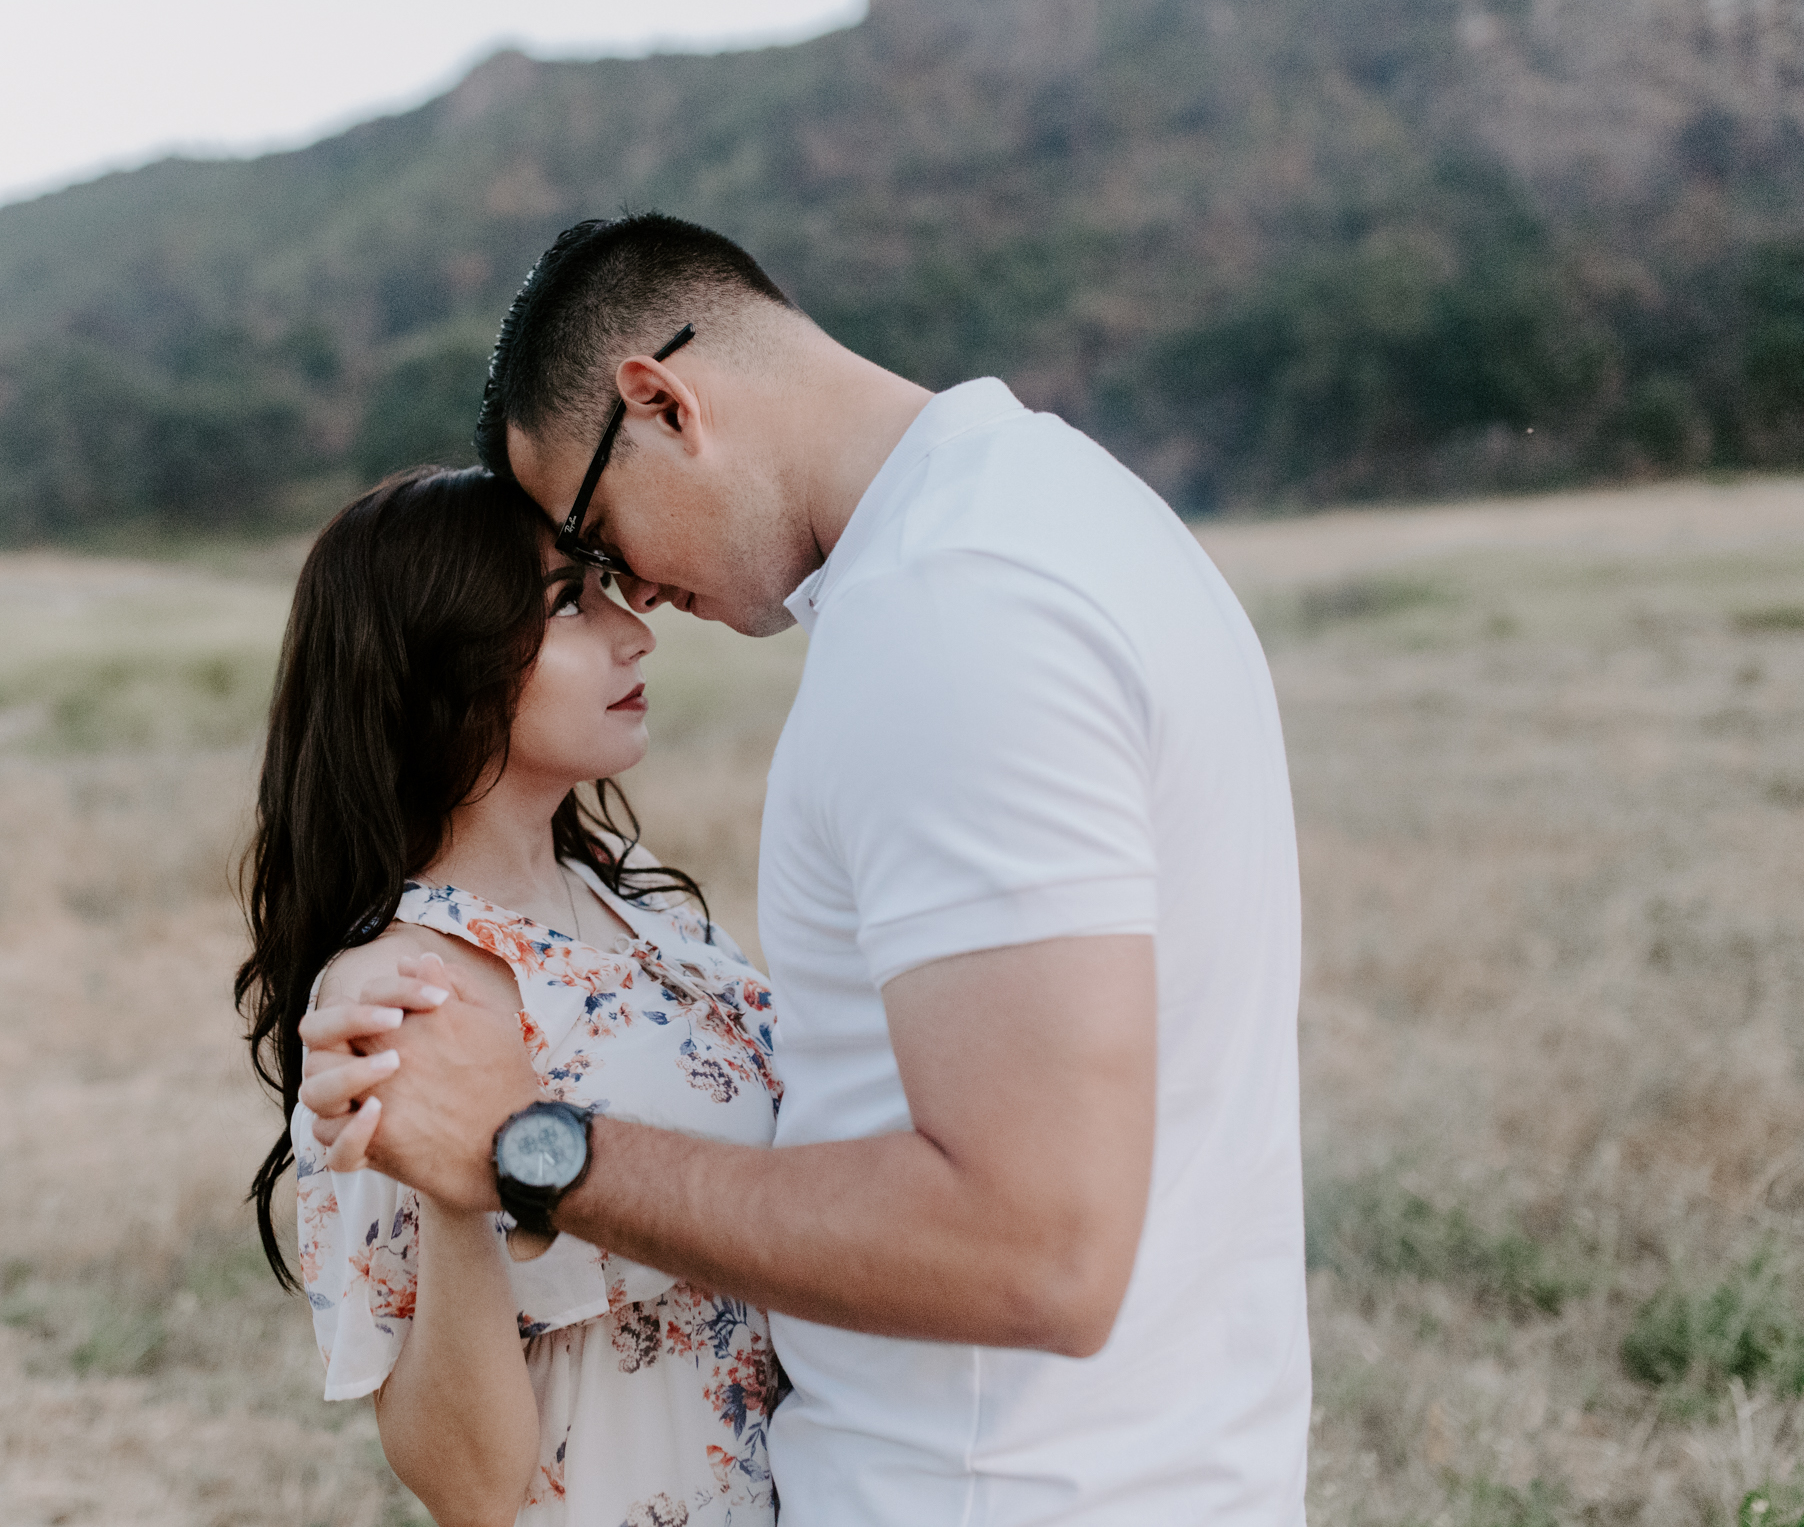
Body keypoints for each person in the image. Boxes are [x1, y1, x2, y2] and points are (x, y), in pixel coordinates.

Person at [301, 213, 1310, 1523]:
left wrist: (531, 1147)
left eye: (598, 533)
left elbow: (1037, 1242)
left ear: (663, 403)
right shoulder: (1065, 510)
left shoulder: (949, 611)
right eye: (578, 581)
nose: (638, 600)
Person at [235, 465, 784, 1527]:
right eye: (569, 601)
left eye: (610, 589)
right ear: (439, 659)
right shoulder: (402, 995)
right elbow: (466, 1486)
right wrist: (461, 1187)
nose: (636, 634)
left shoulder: (623, 887)